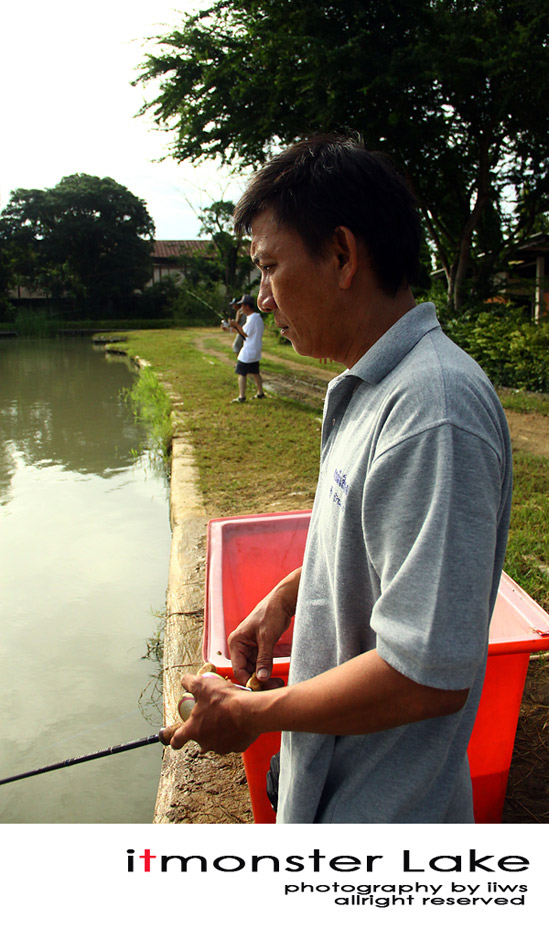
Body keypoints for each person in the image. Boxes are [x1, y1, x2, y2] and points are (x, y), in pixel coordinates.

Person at [162, 133, 513, 823]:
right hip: (330, 789)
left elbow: (425, 673)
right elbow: (381, 543)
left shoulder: (432, 412)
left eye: (269, 268)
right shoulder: (369, 387)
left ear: (342, 255)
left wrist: (255, 713)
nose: (261, 300)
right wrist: (290, 596)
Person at [229, 294, 266, 402]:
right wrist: (232, 328)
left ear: (247, 306)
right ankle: (260, 393)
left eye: (242, 305)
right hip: (255, 350)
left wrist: (235, 324)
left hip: (248, 351)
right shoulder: (257, 317)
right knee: (255, 372)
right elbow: (244, 332)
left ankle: (242, 397)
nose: (240, 308)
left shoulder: (252, 319)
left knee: (241, 373)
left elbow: (245, 334)